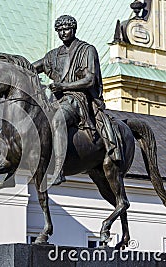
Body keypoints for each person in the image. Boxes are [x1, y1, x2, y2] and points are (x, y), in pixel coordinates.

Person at [32, 15, 122, 185]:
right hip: (56, 99)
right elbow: (32, 68)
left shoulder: (86, 50)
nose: (63, 33)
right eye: (59, 30)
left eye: (66, 29)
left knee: (57, 120)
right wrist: (11, 66)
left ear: (74, 29)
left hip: (77, 98)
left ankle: (58, 170)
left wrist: (63, 87)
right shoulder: (53, 55)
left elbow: (89, 80)